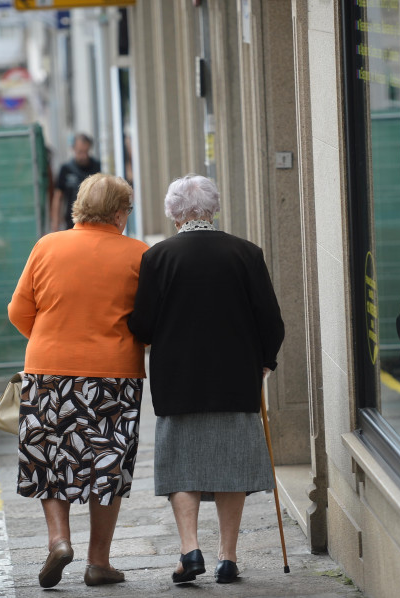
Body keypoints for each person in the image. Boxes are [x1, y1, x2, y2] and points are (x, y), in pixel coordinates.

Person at [128, 174, 285, 585]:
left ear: (174, 213)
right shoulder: (245, 253)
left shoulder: (157, 258)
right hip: (236, 378)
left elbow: (142, 325)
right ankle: (228, 557)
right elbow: (271, 319)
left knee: (182, 467)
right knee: (232, 465)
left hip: (178, 380)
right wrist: (265, 361)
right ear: (212, 208)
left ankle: (189, 549)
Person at [8, 173, 147, 588]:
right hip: (115, 375)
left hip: (49, 369)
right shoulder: (139, 254)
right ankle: (98, 562)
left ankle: (58, 540)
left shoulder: (47, 246)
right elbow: (149, 320)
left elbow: (19, 310)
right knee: (107, 463)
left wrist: (53, 341)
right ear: (120, 212)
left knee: (51, 455)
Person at [51, 133, 101, 231]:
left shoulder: (97, 167)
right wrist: (55, 222)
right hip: (71, 223)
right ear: (73, 149)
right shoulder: (66, 169)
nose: (84, 156)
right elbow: (58, 197)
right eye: (80, 152)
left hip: (94, 222)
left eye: (86, 151)